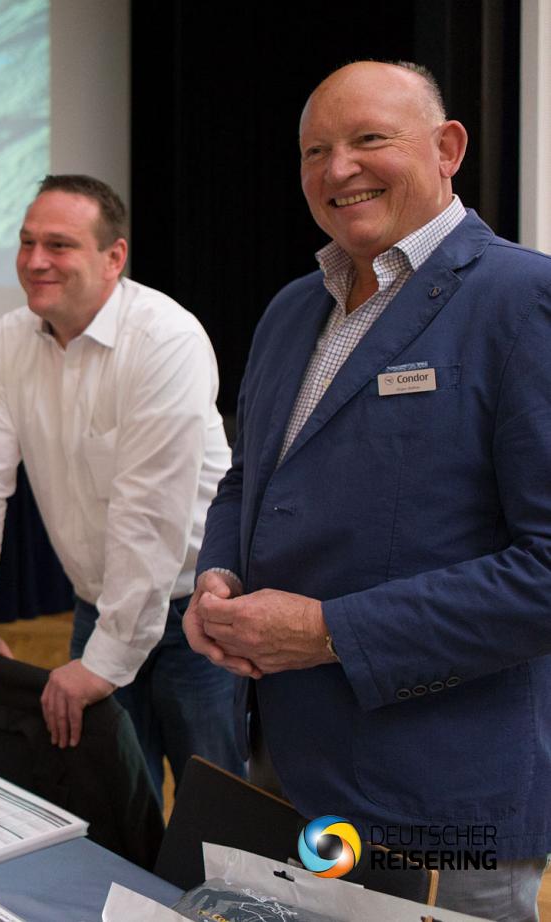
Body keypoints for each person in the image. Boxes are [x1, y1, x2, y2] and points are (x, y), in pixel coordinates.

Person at [185, 61, 551, 920]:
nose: (337, 168)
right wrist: (218, 578)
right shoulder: (290, 311)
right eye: (315, 150)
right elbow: (249, 479)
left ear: (448, 147)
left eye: (368, 139)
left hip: (441, 794)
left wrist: (327, 633)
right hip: (287, 767)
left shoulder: (524, 301)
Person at [0, 174, 240, 800]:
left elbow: (147, 517)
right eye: (26, 242)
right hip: (100, 604)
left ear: (113, 256)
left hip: (201, 618)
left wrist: (104, 662)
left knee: (217, 809)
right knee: (110, 805)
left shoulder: (165, 339)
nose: (35, 261)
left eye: (59, 245)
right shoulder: (8, 340)